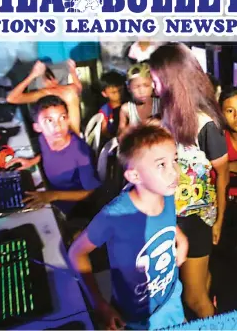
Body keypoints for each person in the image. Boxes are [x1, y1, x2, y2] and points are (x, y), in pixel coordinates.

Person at [68, 125, 188, 330]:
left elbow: (167, 223)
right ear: (134, 176)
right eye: (161, 165)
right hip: (135, 318)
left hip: (171, 300)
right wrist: (100, 305)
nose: (174, 172)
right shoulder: (115, 215)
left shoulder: (166, 193)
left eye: (174, 160)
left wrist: (181, 237)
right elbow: (76, 253)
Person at [148, 43, 229, 318]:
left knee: (194, 298)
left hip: (195, 219)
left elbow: (223, 176)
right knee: (195, 286)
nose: (153, 86)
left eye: (156, 79)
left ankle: (215, 323)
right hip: (173, 215)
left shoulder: (205, 125)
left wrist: (218, 221)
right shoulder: (167, 118)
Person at [6, 96, 101, 218]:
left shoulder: (81, 154)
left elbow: (91, 192)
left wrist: (52, 195)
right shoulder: (43, 138)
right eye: (49, 121)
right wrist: (32, 161)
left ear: (68, 120)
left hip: (71, 205)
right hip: (50, 191)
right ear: (37, 127)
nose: (58, 126)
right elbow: (47, 154)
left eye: (62, 118)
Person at [7, 59, 83, 135]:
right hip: (68, 133)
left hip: (70, 133)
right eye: (47, 80)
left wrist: (73, 71)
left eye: (50, 79)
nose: (51, 82)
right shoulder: (45, 93)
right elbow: (11, 98)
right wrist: (33, 75)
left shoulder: (64, 91)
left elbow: (77, 88)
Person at [118, 63, 160, 140]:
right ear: (129, 88)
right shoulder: (126, 109)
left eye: (146, 86)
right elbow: (120, 136)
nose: (142, 91)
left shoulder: (161, 105)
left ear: (153, 85)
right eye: (136, 87)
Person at [98, 70, 126, 139]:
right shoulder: (104, 110)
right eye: (113, 92)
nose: (118, 94)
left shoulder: (129, 106)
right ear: (104, 94)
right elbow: (104, 131)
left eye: (120, 90)